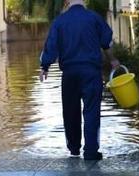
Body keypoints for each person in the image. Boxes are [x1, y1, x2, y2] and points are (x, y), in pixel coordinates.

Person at [39, 0, 120, 160]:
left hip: (69, 74)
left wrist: (45, 66)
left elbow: (51, 46)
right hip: (91, 72)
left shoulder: (60, 21)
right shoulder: (94, 18)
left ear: (66, 2)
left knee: (70, 111)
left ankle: (74, 149)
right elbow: (106, 42)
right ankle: (90, 151)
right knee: (91, 110)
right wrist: (113, 60)